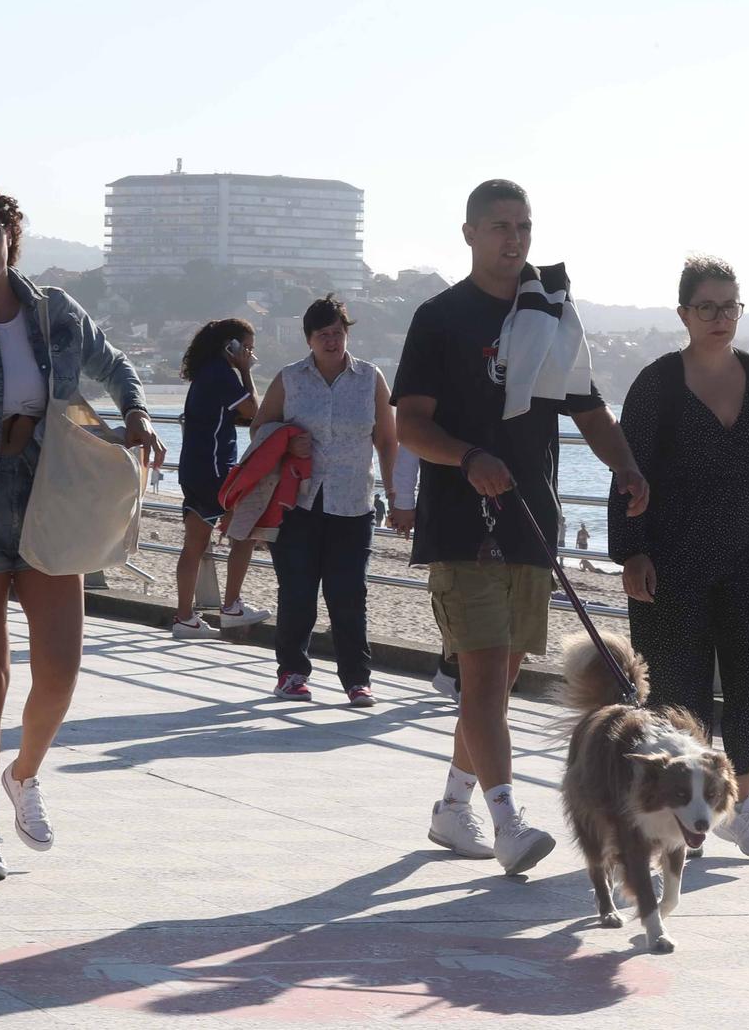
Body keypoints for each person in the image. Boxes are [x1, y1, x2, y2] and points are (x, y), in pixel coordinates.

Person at [0, 175, 164, 881]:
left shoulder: (54, 312)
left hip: (49, 496)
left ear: (9, 232)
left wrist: (137, 413)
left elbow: (116, 365)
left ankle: (25, 774)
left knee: (61, 669)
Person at [393, 178, 649, 875]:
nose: (514, 238)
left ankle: (452, 806)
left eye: (524, 226)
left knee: (497, 680)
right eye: (501, 225)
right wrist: (469, 455)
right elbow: (409, 422)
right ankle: (508, 821)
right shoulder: (440, 317)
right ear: (470, 233)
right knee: (480, 677)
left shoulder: (551, 314)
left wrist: (625, 467)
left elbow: (589, 407)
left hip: (530, 520)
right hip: (461, 522)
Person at [613, 254, 749, 859]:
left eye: (729, 306)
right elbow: (626, 470)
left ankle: (737, 804)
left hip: (744, 548)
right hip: (670, 551)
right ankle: (681, 817)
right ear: (683, 313)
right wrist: (630, 554)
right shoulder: (657, 382)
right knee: (676, 695)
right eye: (706, 307)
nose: (719, 317)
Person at [253, 294, 398, 707]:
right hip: (298, 502)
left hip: (353, 503)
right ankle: (292, 673)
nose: (332, 341)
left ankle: (357, 680)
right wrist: (286, 440)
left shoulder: (370, 378)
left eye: (338, 333)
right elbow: (260, 429)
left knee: (349, 594)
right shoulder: (290, 378)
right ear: (309, 339)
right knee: (296, 592)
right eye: (323, 335)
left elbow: (387, 441)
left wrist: (396, 493)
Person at [170, 318, 270, 638]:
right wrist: (246, 370)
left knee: (194, 545)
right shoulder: (223, 374)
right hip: (215, 470)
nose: (251, 354)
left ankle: (185, 617)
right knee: (246, 532)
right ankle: (232, 606)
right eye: (248, 347)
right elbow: (254, 410)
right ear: (232, 346)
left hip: (193, 468)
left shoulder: (205, 373)